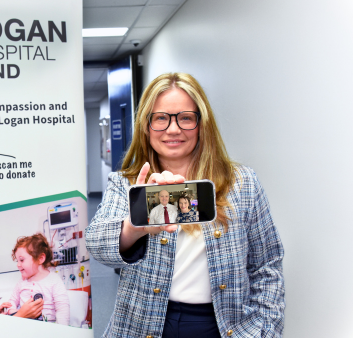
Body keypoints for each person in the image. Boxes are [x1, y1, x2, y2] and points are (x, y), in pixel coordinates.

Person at [86, 73, 284, 338]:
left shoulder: (242, 183)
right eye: (161, 118)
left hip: (224, 326)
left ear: (202, 125)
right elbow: (97, 244)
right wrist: (135, 225)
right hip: (144, 325)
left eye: (186, 118)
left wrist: (265, 329)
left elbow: (267, 265)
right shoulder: (127, 184)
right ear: (146, 126)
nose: (173, 129)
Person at [2, 233, 70, 325]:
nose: (18, 264)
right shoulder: (22, 282)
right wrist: (13, 311)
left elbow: (62, 309)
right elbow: (12, 301)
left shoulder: (53, 280)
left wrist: (61, 331)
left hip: (48, 328)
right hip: (24, 326)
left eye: (21, 260)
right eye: (17, 261)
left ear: (40, 259)